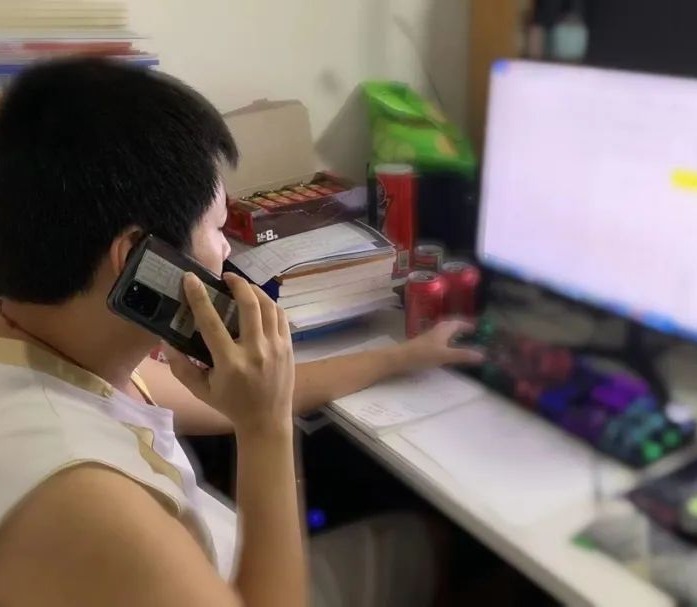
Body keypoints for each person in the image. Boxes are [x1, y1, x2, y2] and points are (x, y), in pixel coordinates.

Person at [0, 58, 481, 607]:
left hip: (220, 557)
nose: (226, 249)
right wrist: (266, 431)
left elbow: (253, 390)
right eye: (215, 227)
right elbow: (258, 410)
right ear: (138, 258)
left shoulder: (60, 342)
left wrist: (401, 357)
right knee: (436, 541)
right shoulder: (86, 500)